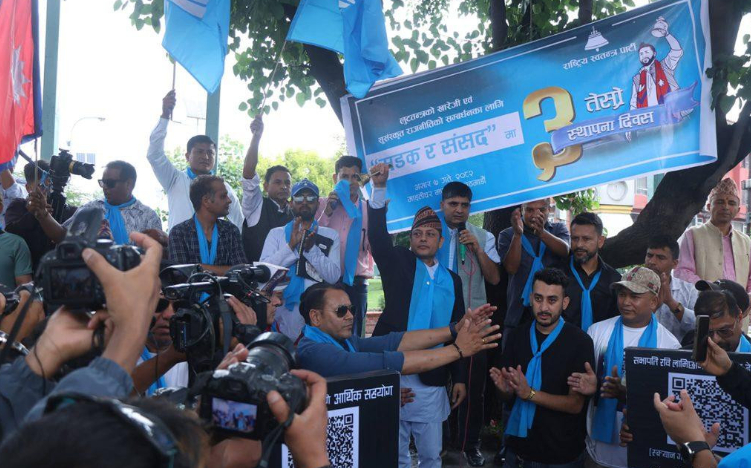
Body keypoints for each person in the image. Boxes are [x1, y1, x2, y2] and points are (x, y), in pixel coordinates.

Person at [367, 163, 467, 468]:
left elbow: (460, 332)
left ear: (440, 241)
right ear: (410, 239)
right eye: (417, 233)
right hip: (393, 368)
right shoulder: (399, 262)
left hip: (432, 374)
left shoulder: (453, 280)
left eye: (430, 234)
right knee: (394, 454)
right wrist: (379, 189)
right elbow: (378, 239)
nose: (423, 238)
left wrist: (459, 378)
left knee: (430, 455)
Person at [567, 266, 680, 468]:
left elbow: (670, 404)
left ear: (654, 302)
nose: (625, 302)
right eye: (622, 294)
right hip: (597, 452)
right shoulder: (596, 332)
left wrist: (627, 395)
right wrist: (592, 388)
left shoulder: (669, 346)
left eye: (634, 296)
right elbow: (585, 384)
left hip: (643, 454)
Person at [490, 268, 595, 468]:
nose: (544, 307)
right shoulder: (517, 336)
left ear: (565, 302)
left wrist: (529, 394)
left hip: (561, 455)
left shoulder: (580, 342)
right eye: (538, 299)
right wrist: (504, 390)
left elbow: (575, 404)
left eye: (552, 300)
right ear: (530, 298)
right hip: (518, 451)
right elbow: (506, 396)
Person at [297, 282, 500, 377]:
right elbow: (389, 362)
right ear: (315, 317)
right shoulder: (315, 352)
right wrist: (457, 350)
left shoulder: (342, 341)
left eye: (352, 309)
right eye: (341, 311)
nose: (350, 316)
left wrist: (454, 329)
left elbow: (395, 342)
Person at [435, 181, 500, 466]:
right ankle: (437, 444)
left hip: (473, 324)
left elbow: (494, 278)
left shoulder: (483, 236)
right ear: (442, 205)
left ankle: (469, 444)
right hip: (435, 322)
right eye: (453, 204)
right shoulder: (428, 232)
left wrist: (478, 250)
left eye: (464, 205)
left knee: (473, 387)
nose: (459, 210)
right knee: (436, 384)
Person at [147, 90, 243, 231]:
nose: (205, 157)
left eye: (210, 153)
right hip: (179, 244)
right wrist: (165, 115)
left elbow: (240, 223)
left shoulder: (225, 189)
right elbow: (154, 154)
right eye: (199, 152)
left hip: (214, 245)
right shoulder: (174, 179)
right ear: (187, 156)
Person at [260, 178, 340, 340]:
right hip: (281, 311)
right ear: (291, 203)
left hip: (316, 314)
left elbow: (333, 276)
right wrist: (290, 246)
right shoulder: (276, 234)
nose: (304, 202)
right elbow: (265, 273)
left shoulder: (330, 235)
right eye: (299, 198)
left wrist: (311, 250)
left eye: (310, 198)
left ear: (318, 203)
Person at [675, 178, 751, 332]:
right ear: (709, 206)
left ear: (738, 209)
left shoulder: (746, 241)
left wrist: (748, 298)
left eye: (731, 203)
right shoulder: (692, 235)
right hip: (707, 312)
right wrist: (712, 291)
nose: (726, 207)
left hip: (739, 315)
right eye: (720, 202)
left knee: (738, 347)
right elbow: (682, 272)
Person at [314, 156, 376, 338]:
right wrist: (327, 213)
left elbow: (374, 247)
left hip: (356, 284)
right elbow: (310, 241)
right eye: (344, 177)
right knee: (324, 334)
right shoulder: (320, 204)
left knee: (353, 335)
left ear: (361, 179)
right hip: (324, 282)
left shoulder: (369, 210)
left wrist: (381, 224)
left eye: (355, 177)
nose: (350, 182)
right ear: (335, 178)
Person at [34, 160, 161, 245]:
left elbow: (157, 257)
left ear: (129, 184)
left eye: (110, 183)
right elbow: (63, 237)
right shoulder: (90, 209)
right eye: (103, 182)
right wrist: (44, 215)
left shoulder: (148, 217)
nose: (105, 187)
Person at [497, 199, 570, 343]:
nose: (535, 215)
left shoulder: (558, 229)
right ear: (521, 210)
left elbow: (565, 251)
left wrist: (541, 232)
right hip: (518, 313)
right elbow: (511, 268)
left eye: (541, 210)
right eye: (530, 210)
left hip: (551, 312)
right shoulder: (507, 234)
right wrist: (518, 235)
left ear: (549, 210)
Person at [4, 160, 77, 269]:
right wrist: (33, 214)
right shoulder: (18, 206)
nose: (47, 191)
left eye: (51, 185)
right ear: (28, 188)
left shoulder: (71, 212)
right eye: (41, 186)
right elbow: (10, 236)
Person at [168, 175, 247, 275]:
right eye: (223, 196)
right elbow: (179, 274)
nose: (229, 200)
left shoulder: (231, 230)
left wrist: (198, 267)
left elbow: (242, 271)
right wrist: (225, 271)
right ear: (206, 201)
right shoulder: (179, 233)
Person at [241, 115, 293, 262]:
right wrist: (256, 137)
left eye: (287, 183)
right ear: (265, 186)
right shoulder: (256, 206)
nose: (284, 186)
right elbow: (248, 174)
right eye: (277, 182)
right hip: (256, 274)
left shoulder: (294, 213)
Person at [558, 212, 621, 331]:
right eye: (575, 238)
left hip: (601, 342)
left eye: (586, 239)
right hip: (562, 340)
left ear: (600, 241)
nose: (579, 244)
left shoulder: (614, 280)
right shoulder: (557, 275)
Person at [645, 235, 699, 342]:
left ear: (674, 264)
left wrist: (670, 302)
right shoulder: (631, 286)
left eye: (660, 257)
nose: (652, 261)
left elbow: (698, 326)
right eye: (649, 255)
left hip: (678, 351)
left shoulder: (689, 290)